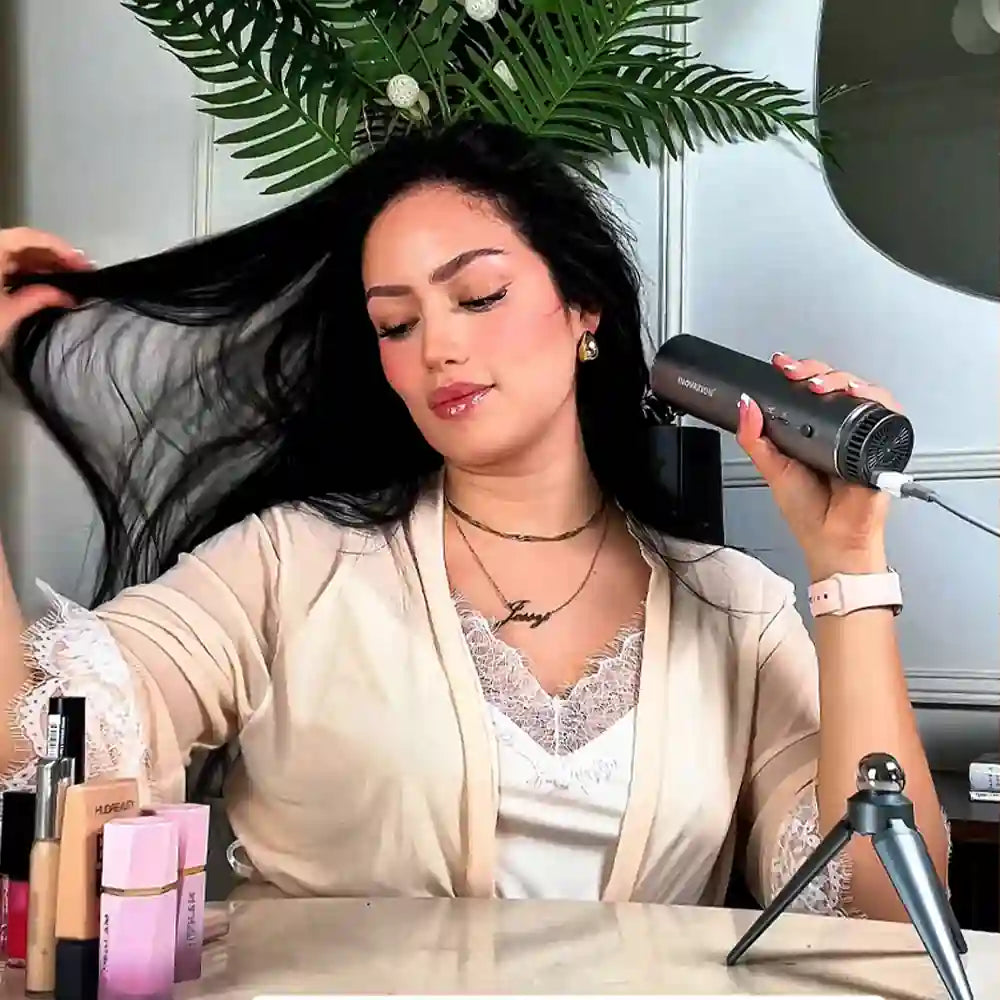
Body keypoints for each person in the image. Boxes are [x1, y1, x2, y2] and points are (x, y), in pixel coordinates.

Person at [0, 121, 946, 917]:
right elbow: (39, 753)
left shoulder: (733, 610)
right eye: (396, 325)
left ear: (585, 310)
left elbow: (881, 910)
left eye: (479, 296)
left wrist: (850, 566)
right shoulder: (287, 564)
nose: (440, 346)